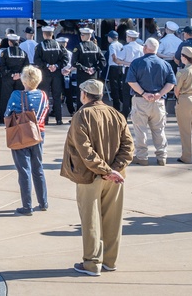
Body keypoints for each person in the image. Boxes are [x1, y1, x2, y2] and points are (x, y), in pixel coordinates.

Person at [60, 79, 134, 277]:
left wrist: (105, 170)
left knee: (91, 220)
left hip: (90, 176)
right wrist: (114, 170)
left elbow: (85, 151)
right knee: (113, 219)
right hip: (115, 178)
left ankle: (92, 263)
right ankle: (110, 261)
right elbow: (129, 148)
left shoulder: (81, 115)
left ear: (84, 94)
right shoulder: (117, 114)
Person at [5, 65, 50, 215]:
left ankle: (27, 206)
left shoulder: (16, 95)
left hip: (21, 134)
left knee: (24, 170)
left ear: (24, 80)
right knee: (38, 168)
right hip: (39, 134)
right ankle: (43, 202)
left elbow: (7, 113)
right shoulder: (43, 95)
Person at [125, 38, 175, 166]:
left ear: (145, 48)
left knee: (140, 130)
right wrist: (160, 94)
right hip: (158, 102)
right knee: (159, 130)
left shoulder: (136, 63)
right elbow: (171, 83)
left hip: (141, 100)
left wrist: (143, 93)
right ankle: (162, 156)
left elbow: (131, 81)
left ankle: (142, 157)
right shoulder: (165, 64)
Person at [34, 25, 70, 125]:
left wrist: (47, 65)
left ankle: (45, 119)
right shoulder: (59, 45)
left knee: (44, 96)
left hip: (44, 74)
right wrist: (57, 66)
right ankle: (59, 119)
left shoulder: (40, 46)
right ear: (52, 34)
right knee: (57, 97)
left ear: (43, 34)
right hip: (57, 74)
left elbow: (36, 60)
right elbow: (65, 59)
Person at [73, 27, 106, 109]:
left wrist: (85, 68)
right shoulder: (96, 47)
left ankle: (80, 114)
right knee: (93, 95)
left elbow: (74, 62)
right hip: (93, 75)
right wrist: (94, 69)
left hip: (82, 75)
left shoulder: (78, 47)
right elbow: (103, 61)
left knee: (81, 95)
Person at [0, 33, 29, 115]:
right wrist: (19, 74)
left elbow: (2, 67)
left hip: (8, 78)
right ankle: (19, 116)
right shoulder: (23, 53)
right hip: (20, 78)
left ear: (9, 42)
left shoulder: (4, 53)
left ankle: (4, 117)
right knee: (19, 98)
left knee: (6, 98)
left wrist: (11, 74)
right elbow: (26, 67)